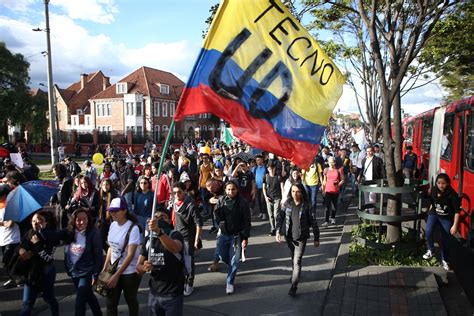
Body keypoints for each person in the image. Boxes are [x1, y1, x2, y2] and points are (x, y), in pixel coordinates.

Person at [137, 208, 185, 316]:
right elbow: (138, 267)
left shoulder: (175, 235)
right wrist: (144, 267)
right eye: (156, 217)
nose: (159, 219)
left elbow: (174, 248)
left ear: (169, 221)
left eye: (162, 217)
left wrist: (159, 232)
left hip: (173, 293)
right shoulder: (148, 240)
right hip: (154, 293)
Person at [275, 183, 320, 297]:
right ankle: (295, 274)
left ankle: (294, 286)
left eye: (298, 191)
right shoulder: (287, 204)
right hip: (289, 237)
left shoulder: (307, 205)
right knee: (292, 258)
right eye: (293, 191)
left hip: (301, 237)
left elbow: (313, 221)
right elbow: (280, 218)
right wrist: (277, 231)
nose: (295, 194)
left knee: (297, 261)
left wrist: (316, 237)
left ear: (302, 192)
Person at [210, 180, 251, 294]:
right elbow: (216, 214)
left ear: (237, 190)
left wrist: (245, 237)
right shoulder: (222, 200)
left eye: (233, 189)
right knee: (223, 256)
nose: (231, 191)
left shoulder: (242, 203)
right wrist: (219, 224)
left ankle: (230, 281)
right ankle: (231, 267)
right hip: (223, 234)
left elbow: (247, 221)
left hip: (236, 235)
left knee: (234, 260)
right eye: (228, 189)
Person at [103, 197, 141, 316]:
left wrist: (116, 275)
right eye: (111, 211)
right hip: (113, 269)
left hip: (129, 272)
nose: (112, 213)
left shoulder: (133, 228)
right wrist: (105, 268)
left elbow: (130, 255)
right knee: (111, 303)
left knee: (131, 299)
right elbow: (111, 248)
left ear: (124, 210)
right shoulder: (113, 225)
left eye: (116, 210)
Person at [19, 210, 60, 316]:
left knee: (49, 298)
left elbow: (48, 258)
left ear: (46, 223)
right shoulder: (29, 233)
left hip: (46, 273)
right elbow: (20, 246)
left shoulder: (51, 236)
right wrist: (21, 250)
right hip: (31, 273)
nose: (36, 223)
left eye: (40, 220)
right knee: (26, 304)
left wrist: (37, 245)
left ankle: (55, 313)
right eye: (33, 221)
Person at [63, 209, 103, 316]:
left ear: (88, 219)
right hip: (74, 271)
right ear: (73, 221)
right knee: (88, 296)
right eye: (78, 220)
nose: (82, 222)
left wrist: (95, 274)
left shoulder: (94, 234)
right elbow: (66, 252)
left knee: (80, 301)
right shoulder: (69, 232)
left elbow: (99, 256)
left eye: (84, 219)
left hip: (87, 272)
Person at [423, 173, 460, 271]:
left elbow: (457, 212)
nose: (441, 185)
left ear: (447, 183)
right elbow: (432, 201)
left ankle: (445, 260)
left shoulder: (452, 195)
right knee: (428, 231)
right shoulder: (434, 190)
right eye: (438, 183)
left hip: (446, 218)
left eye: (443, 183)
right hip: (434, 214)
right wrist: (430, 209)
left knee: (446, 240)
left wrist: (455, 225)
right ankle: (431, 250)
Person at [170, 182, 202, 297]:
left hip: (188, 237)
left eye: (179, 192)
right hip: (176, 236)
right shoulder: (174, 202)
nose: (177, 194)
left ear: (184, 191)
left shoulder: (190, 204)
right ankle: (180, 281)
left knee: (188, 262)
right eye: (175, 193)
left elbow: (198, 223)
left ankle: (189, 283)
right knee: (177, 260)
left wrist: (196, 240)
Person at [0, 184, 20, 288]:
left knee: (8, 262)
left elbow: (10, 224)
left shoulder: (11, 206)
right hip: (3, 239)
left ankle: (16, 280)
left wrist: (1, 223)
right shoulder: (1, 206)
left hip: (12, 239)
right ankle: (15, 279)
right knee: (7, 262)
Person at [358, 146, 385, 213]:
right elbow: (363, 169)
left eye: (370, 151)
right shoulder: (364, 160)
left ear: (373, 151)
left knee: (372, 195)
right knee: (366, 195)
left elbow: (382, 170)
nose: (369, 153)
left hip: (375, 180)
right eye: (367, 151)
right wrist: (360, 175)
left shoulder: (378, 160)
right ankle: (367, 208)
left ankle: (371, 211)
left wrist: (383, 180)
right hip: (366, 180)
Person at [321, 157, 345, 226]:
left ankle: (333, 218)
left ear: (334, 162)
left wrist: (338, 185)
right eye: (329, 162)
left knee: (334, 206)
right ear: (328, 162)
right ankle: (326, 221)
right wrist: (323, 189)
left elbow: (342, 179)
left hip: (335, 190)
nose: (331, 164)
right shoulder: (326, 170)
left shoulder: (339, 170)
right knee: (327, 206)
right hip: (327, 190)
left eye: (332, 162)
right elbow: (324, 180)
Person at [97, 178, 119, 251]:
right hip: (102, 221)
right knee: (100, 240)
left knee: (113, 241)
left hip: (112, 221)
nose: (105, 186)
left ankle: (113, 256)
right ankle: (109, 253)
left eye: (107, 184)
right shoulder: (100, 194)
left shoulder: (114, 194)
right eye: (103, 185)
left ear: (110, 185)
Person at [262, 161, 283, 236]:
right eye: (269, 168)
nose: (271, 170)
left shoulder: (278, 176)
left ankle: (278, 229)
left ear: (274, 168)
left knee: (276, 214)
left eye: (272, 168)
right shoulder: (266, 176)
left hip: (277, 197)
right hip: (269, 198)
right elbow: (264, 188)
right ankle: (272, 228)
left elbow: (282, 187)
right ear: (268, 169)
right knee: (270, 215)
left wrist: (283, 198)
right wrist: (266, 197)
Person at [50, 163, 73, 230]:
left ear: (58, 170)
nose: (53, 172)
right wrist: (52, 200)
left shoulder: (68, 180)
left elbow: (71, 194)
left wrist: (68, 204)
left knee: (64, 222)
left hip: (65, 205)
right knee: (58, 220)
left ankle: (65, 238)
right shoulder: (56, 179)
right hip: (58, 204)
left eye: (54, 170)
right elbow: (55, 191)